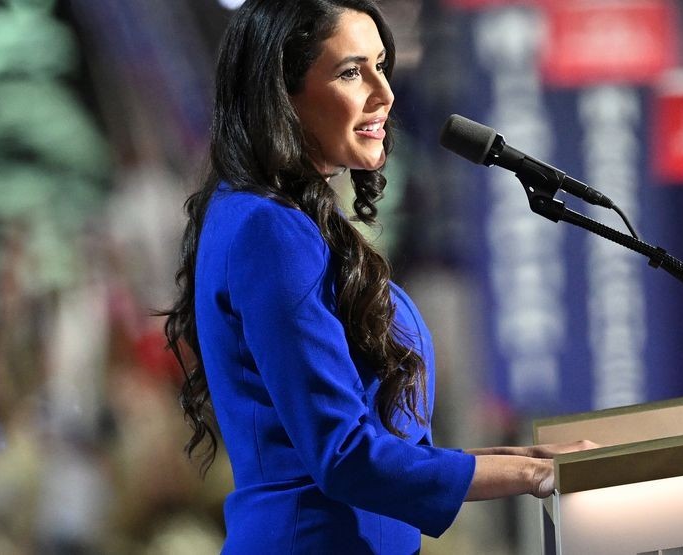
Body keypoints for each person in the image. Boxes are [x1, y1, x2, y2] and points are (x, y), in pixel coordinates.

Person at [163, 0, 593, 552]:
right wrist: (533, 475)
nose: (384, 92)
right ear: (281, 94)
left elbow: (380, 445)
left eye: (381, 66)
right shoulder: (269, 231)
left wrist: (529, 460)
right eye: (350, 72)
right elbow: (344, 455)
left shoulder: (277, 218)